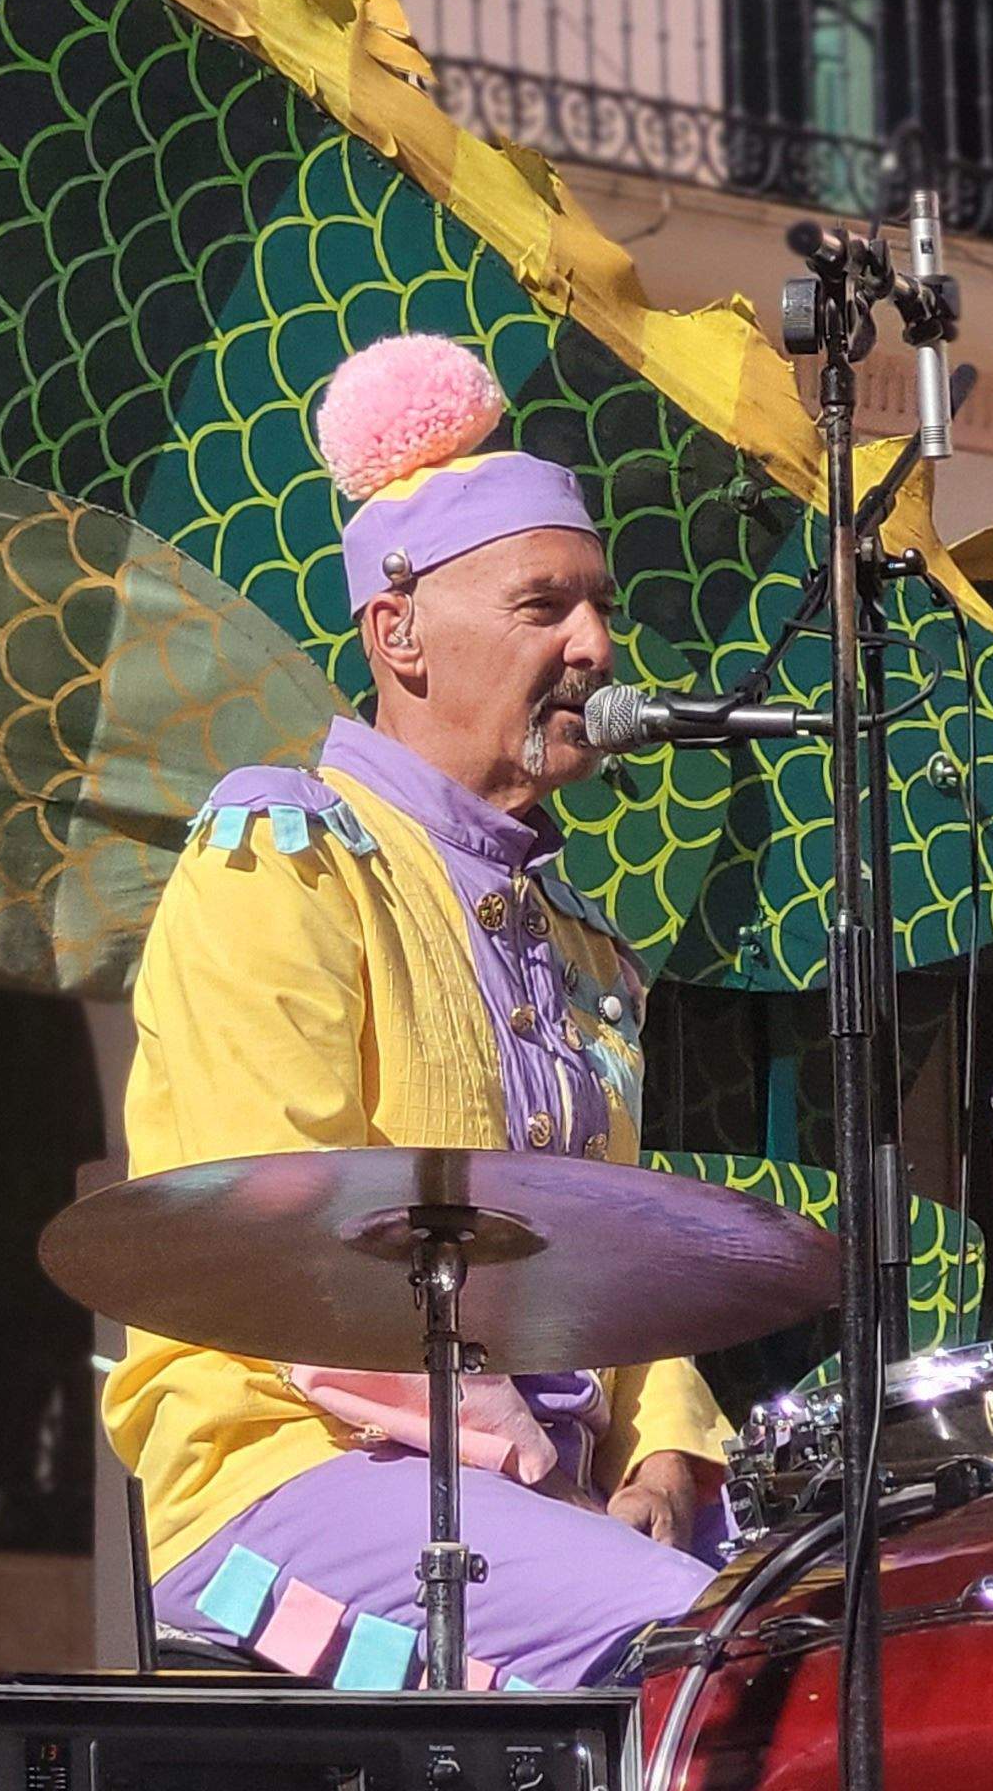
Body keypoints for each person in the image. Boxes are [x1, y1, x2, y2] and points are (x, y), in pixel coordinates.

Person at [104, 334, 729, 1692]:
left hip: (536, 1506)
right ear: (399, 636)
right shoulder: (285, 858)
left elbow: (620, 1259)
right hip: (295, 1482)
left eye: (600, 605)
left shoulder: (579, 939)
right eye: (543, 605)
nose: (598, 645)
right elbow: (282, 1240)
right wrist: (539, 1483)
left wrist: (668, 1451)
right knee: (719, 1661)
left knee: (879, 1635)